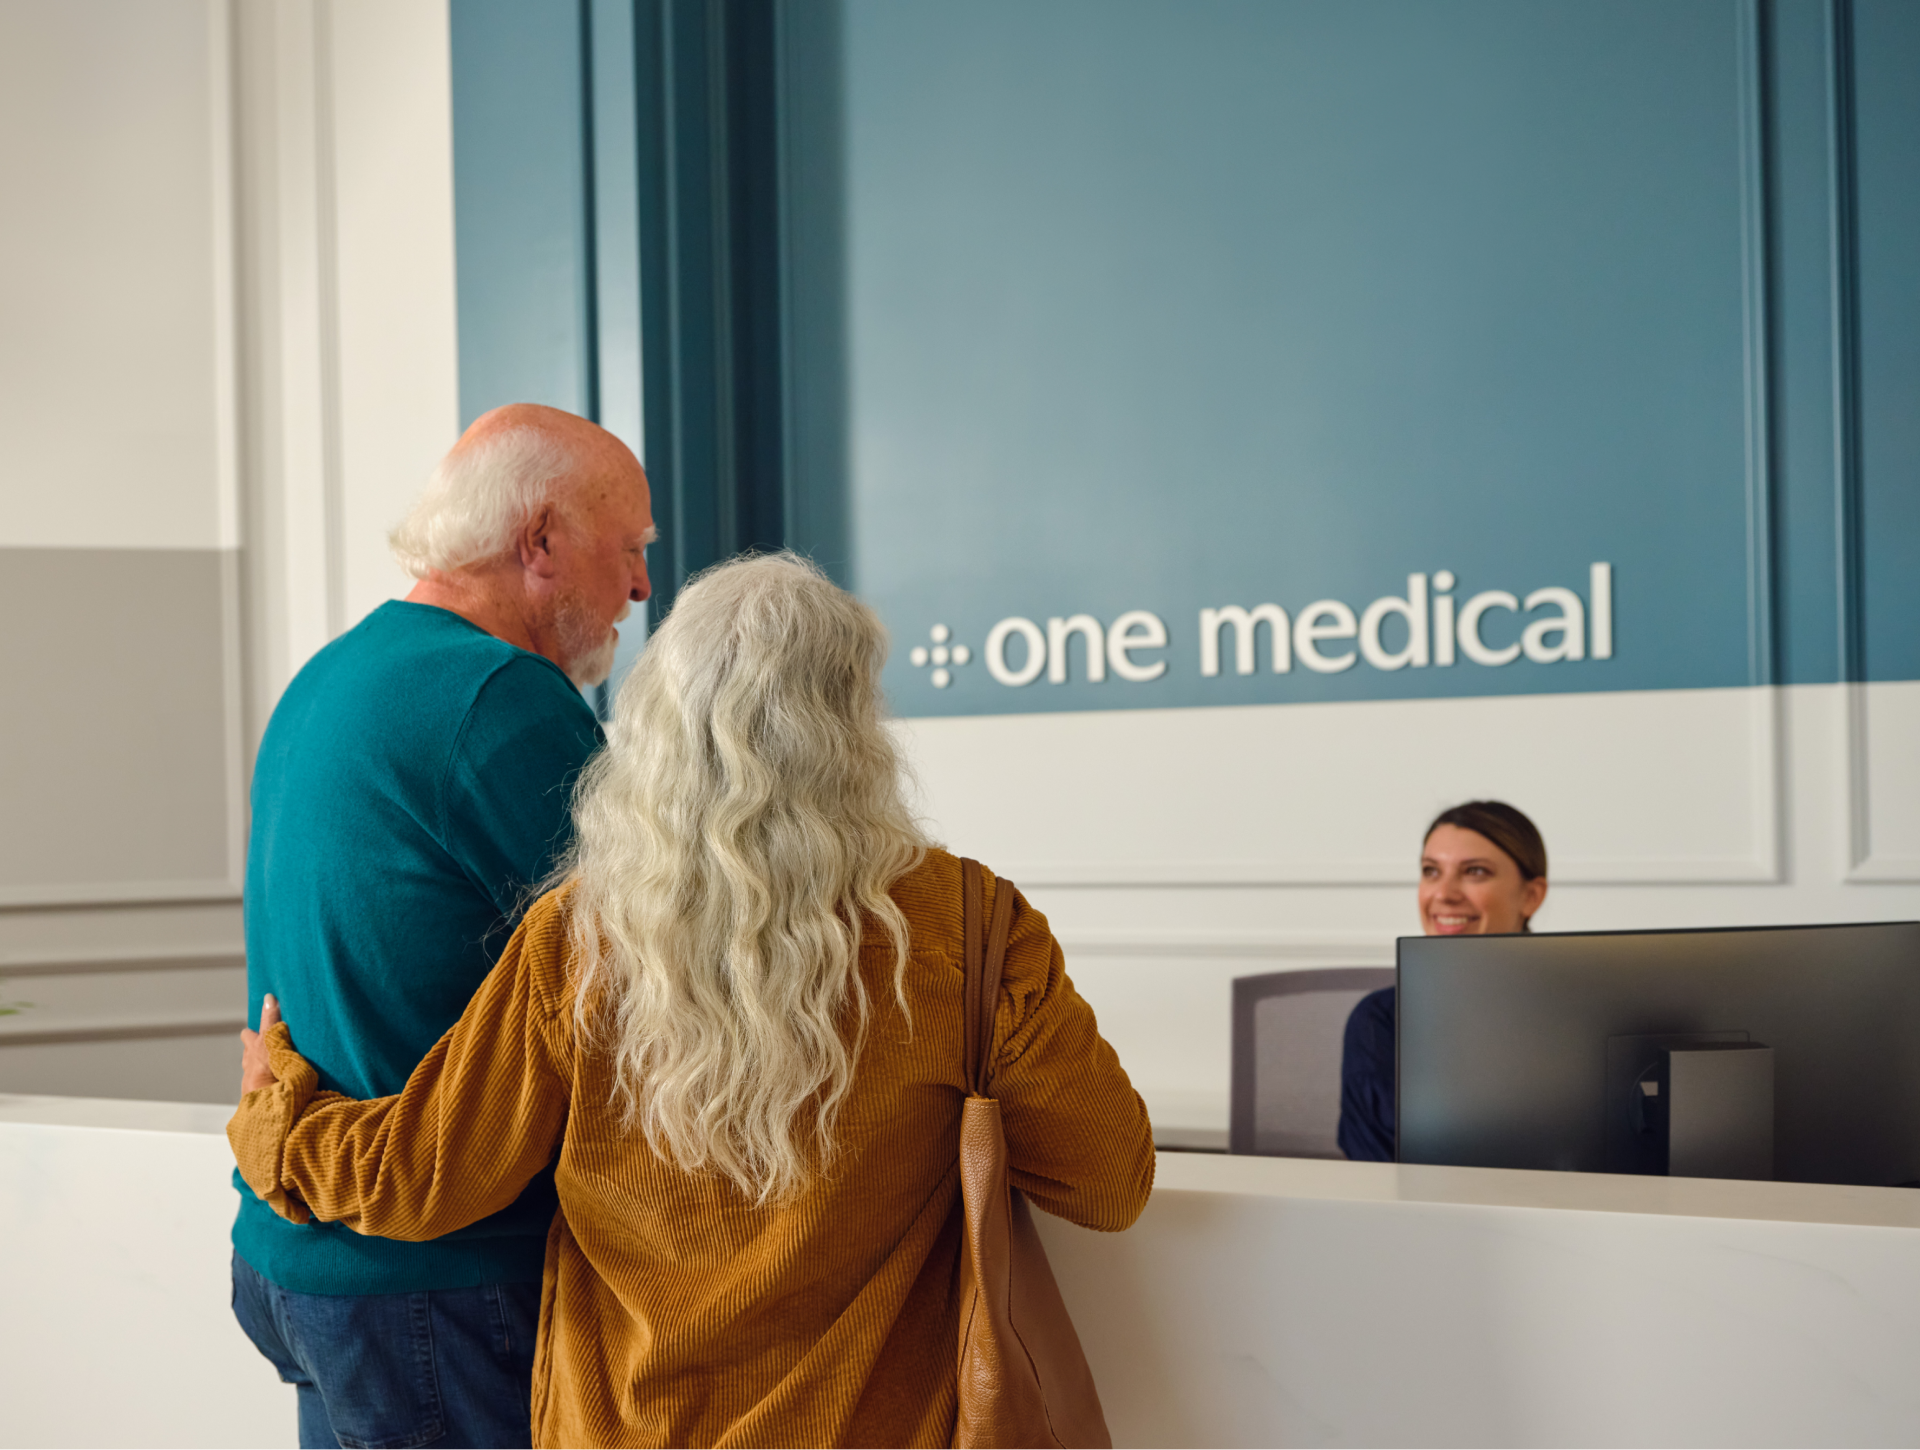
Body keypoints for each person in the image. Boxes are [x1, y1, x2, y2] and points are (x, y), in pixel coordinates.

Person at [230, 552, 1155, 1450]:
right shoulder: (966, 925)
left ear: (663, 719)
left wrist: (277, 1124)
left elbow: (425, 1177)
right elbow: (1110, 1182)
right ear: (854, 730)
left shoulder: (579, 938)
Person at [231, 404, 655, 1450]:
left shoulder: (329, 677)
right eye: (631, 548)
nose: (643, 589)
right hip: (444, 1287)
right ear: (541, 540)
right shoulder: (500, 697)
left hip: (303, 1256)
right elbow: (654, 976)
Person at [1337, 800, 1549, 1162]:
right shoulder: (1381, 1021)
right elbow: (1376, 1179)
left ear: (1531, 896)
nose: (1444, 894)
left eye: (1476, 871)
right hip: (1420, 1218)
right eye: (1431, 871)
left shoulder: (1581, 1013)